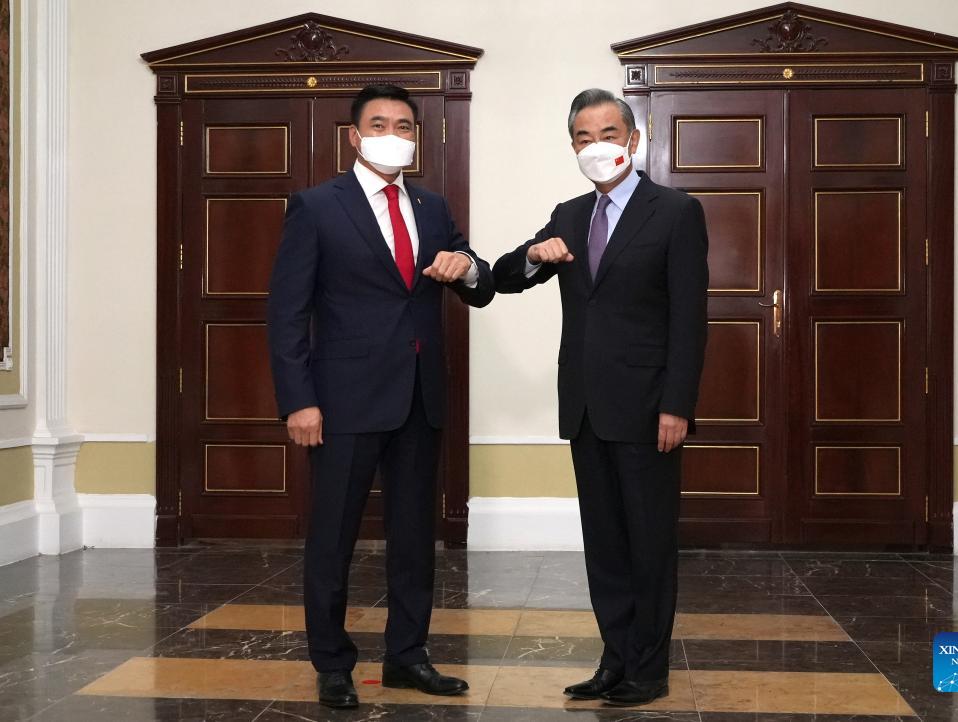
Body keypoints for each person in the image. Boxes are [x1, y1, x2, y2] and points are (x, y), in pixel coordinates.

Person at [267, 84, 494, 710]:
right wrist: (298, 401)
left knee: (415, 537)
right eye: (379, 124)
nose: (393, 134)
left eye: (403, 125)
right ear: (355, 135)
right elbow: (287, 313)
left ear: (416, 136)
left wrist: (468, 266)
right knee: (333, 536)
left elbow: (477, 285)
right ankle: (332, 664)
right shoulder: (316, 207)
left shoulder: (432, 206)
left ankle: (408, 656)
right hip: (341, 401)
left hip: (419, 397)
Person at [493, 88, 708, 707]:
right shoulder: (568, 215)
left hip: (648, 408)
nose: (597, 147)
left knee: (649, 543)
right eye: (583, 138)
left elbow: (689, 319)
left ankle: (649, 667)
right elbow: (505, 277)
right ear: (572, 147)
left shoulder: (675, 211)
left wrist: (677, 405)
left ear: (632, 140)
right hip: (586, 408)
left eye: (608, 134)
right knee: (605, 545)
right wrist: (532, 256)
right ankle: (615, 659)